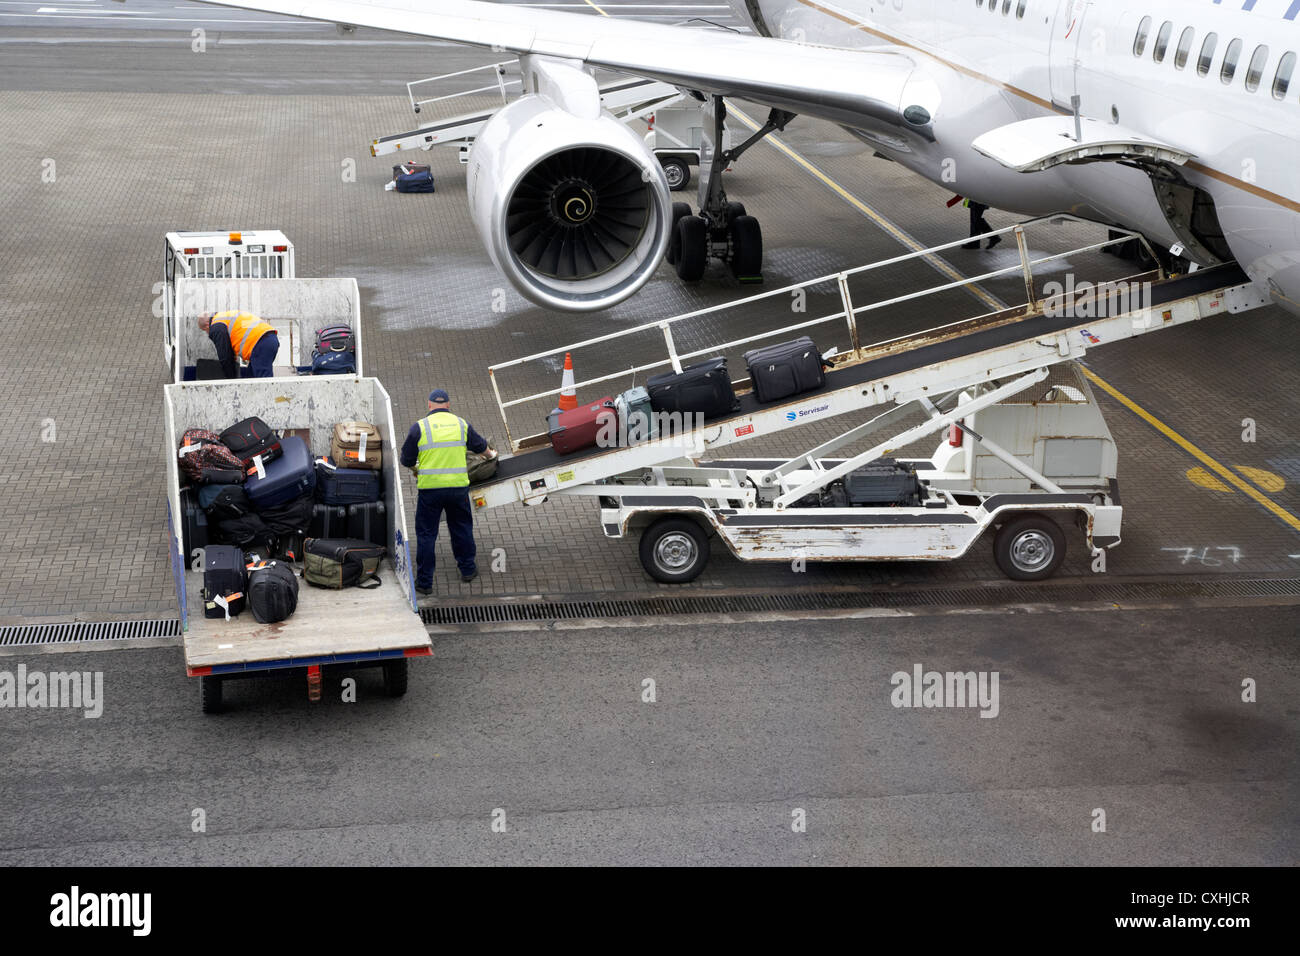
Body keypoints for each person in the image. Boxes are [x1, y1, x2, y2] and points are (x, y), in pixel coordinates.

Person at [400, 388, 496, 593]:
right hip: (457, 488)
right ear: (449, 405)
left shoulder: (419, 427)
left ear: (429, 405)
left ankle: (425, 583)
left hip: (430, 490)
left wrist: (416, 469)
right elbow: (481, 447)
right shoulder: (461, 424)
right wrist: (491, 455)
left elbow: (405, 460)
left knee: (426, 534)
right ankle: (468, 570)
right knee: (461, 528)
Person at [199, 311, 280, 378]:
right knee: (251, 379)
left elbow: (225, 356)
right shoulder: (225, 316)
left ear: (207, 325)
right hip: (268, 338)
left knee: (263, 382)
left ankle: (269, 397)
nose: (207, 333)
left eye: (205, 330)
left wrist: (231, 380)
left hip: (261, 342)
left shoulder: (216, 325)